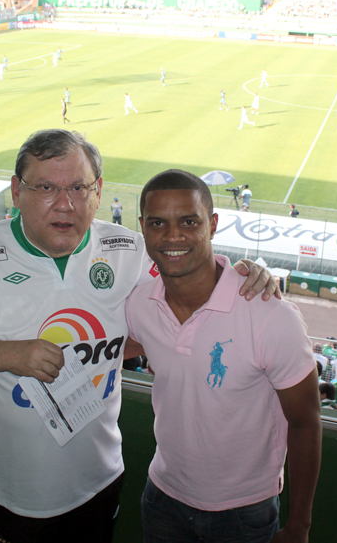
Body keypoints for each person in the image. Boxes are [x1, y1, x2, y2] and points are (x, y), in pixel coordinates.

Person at [0, 129, 278, 543]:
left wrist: (240, 272)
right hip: (13, 494)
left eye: (79, 188)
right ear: (16, 191)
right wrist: (5, 354)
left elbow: (186, 291)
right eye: (46, 187)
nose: (64, 204)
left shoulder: (128, 250)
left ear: (98, 191)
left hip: (100, 481)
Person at [125, 168, 321, 543]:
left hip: (245, 513)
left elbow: (305, 423)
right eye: (157, 223)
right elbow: (122, 347)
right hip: (163, 497)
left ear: (212, 224)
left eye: (188, 221)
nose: (172, 236)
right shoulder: (140, 304)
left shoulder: (270, 315)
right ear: (143, 228)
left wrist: (299, 526)